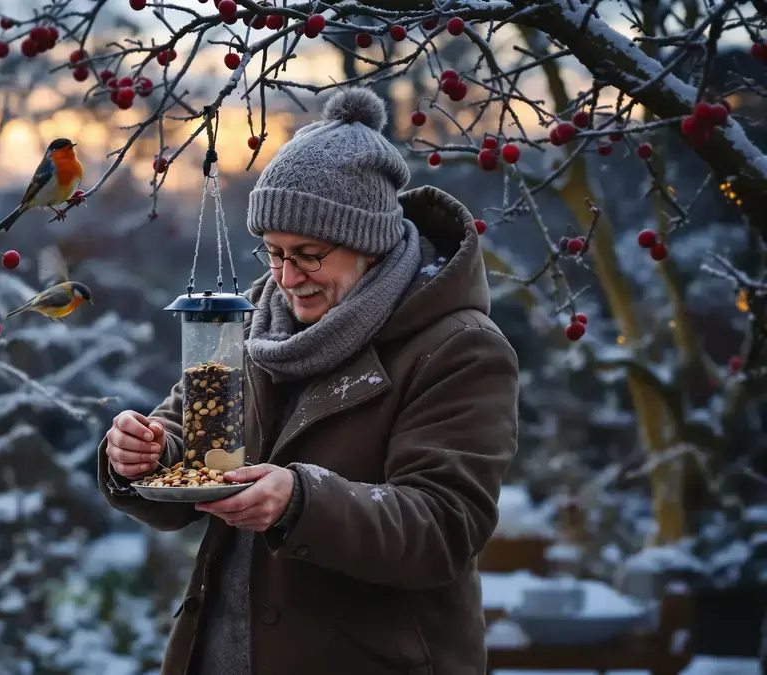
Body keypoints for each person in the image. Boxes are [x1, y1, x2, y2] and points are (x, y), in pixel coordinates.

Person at [97, 86, 520, 675]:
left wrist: (301, 502)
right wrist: (143, 454)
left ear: (368, 244)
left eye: (309, 254)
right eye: (273, 252)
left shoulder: (457, 348)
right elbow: (189, 442)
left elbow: (445, 528)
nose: (287, 277)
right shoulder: (254, 321)